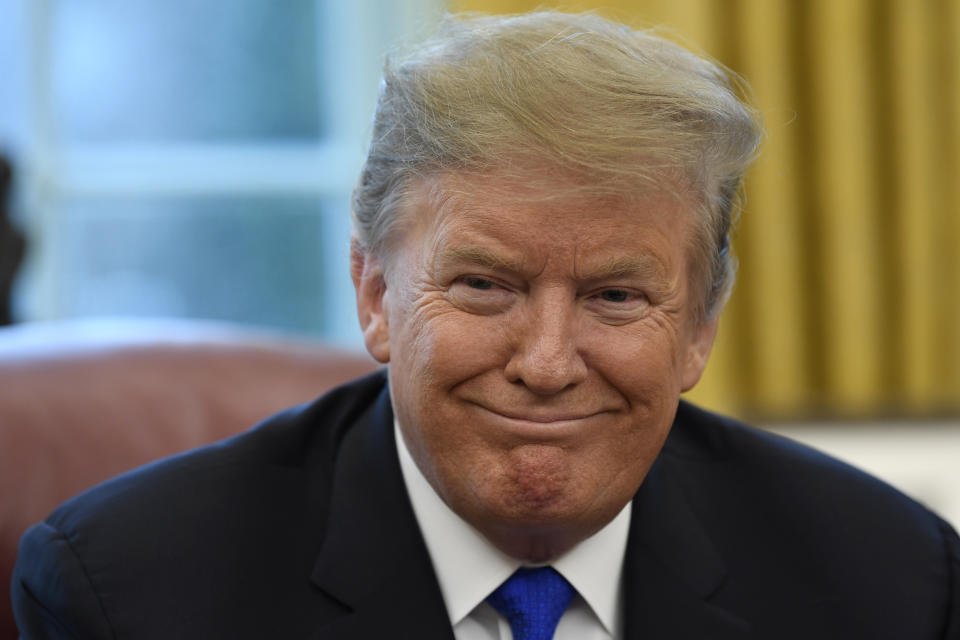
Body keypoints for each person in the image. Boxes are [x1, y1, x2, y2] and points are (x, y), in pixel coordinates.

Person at [12, 11, 960, 640]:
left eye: (616, 297)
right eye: (484, 286)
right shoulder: (128, 593)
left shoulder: (886, 583)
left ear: (701, 328)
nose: (547, 365)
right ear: (377, 297)